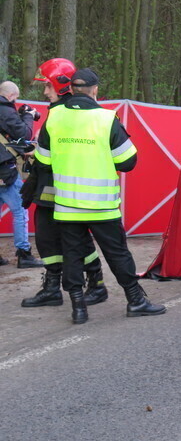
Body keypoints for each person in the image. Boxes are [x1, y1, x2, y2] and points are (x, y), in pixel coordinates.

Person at [34, 68, 165, 324]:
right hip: (101, 206)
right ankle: (135, 300)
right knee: (117, 253)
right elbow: (127, 161)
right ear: (95, 90)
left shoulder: (55, 117)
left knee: (72, 255)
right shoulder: (106, 119)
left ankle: (78, 308)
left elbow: (43, 160)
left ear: (70, 90)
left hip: (67, 205)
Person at [21, 59, 108, 308]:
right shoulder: (60, 111)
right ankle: (52, 287)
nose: (45, 92)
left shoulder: (71, 112)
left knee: (75, 237)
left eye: (48, 86)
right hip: (50, 182)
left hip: (66, 186)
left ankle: (96, 282)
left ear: (61, 85)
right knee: (48, 235)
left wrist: (38, 152)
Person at [0, 80, 43, 268]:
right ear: (11, 96)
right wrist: (28, 116)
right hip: (5, 171)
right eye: (15, 99)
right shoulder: (6, 111)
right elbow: (25, 135)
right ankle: (24, 254)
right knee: (20, 211)